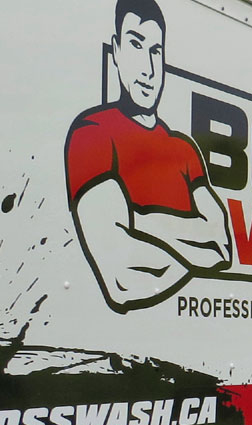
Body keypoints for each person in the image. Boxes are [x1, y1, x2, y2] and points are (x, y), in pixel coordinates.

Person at [65, 0, 232, 314]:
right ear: (115, 51)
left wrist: (140, 221)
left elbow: (221, 247)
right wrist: (194, 245)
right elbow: (121, 281)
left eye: (155, 50)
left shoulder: (184, 149)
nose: (148, 69)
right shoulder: (92, 133)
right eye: (136, 45)